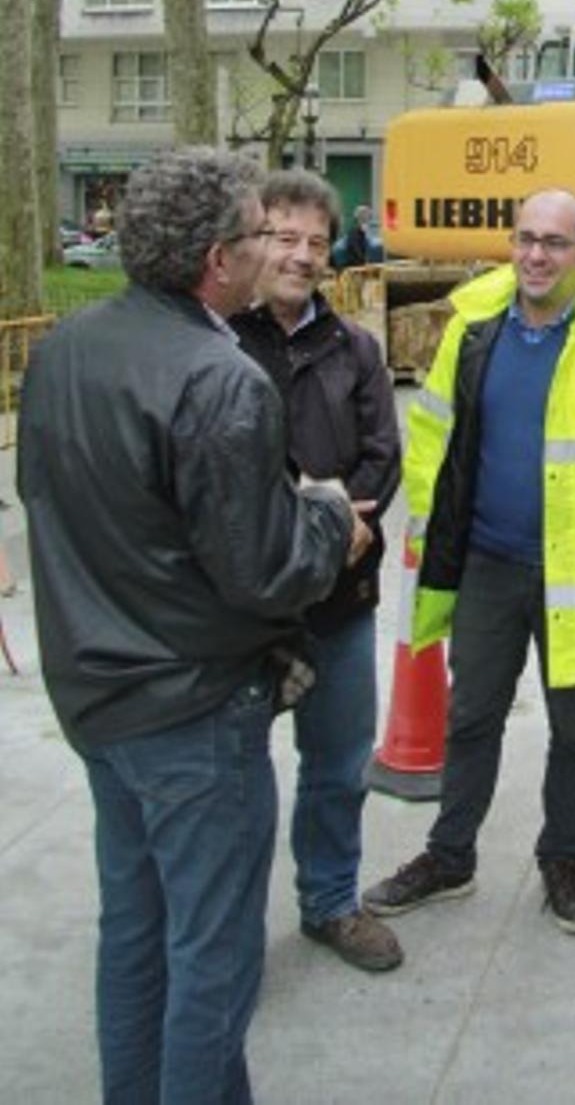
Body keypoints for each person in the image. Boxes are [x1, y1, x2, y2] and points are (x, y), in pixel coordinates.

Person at [17, 147, 369, 1105]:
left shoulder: (63, 351)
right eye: (262, 231)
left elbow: (71, 504)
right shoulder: (221, 378)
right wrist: (330, 519)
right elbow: (265, 572)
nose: (275, 250)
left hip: (99, 696)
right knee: (211, 962)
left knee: (136, 935)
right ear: (220, 257)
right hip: (192, 715)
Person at [363, 188, 575, 935]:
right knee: (471, 715)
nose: (536, 255)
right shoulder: (472, 328)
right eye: (526, 239)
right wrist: (427, 521)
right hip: (487, 563)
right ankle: (450, 855)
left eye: (555, 243)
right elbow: (434, 429)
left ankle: (562, 860)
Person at [231, 171, 403, 974]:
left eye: (313, 241)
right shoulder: (219, 343)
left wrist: (335, 526)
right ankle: (224, 934)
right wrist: (303, 515)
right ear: (251, 242)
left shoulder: (355, 349)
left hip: (340, 596)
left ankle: (330, 902)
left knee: (337, 765)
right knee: (232, 778)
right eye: (282, 238)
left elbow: (381, 458)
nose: (299, 257)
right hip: (244, 611)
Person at [343, 203, 374, 270]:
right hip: (355, 267)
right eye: (365, 215)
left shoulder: (365, 232)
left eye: (368, 217)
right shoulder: (354, 232)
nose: (368, 219)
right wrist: (364, 262)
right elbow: (355, 249)